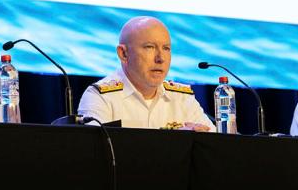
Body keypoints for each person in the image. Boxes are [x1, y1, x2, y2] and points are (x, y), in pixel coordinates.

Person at [77, 16, 213, 131]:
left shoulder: (182, 99)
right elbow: (96, 155)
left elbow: (216, 148)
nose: (161, 58)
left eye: (166, 48)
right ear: (123, 54)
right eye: (150, 47)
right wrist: (176, 141)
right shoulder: (100, 98)